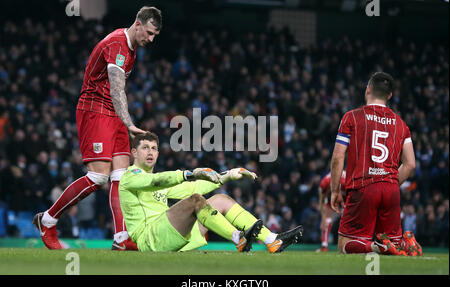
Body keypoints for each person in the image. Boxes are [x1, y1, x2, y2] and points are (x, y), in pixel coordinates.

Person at [33, 7, 162, 250]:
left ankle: (121, 239)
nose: (151, 39)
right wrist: (130, 123)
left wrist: (123, 120)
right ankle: (48, 220)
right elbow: (115, 89)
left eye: (155, 35)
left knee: (121, 178)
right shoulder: (116, 44)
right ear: (138, 24)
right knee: (98, 176)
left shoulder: (132, 49)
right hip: (95, 109)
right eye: (149, 32)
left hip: (112, 112)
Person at [118, 132, 303, 252]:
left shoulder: (160, 182)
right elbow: (153, 181)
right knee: (196, 200)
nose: (150, 152)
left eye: (154, 148)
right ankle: (238, 238)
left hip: (168, 236)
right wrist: (188, 173)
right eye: (145, 148)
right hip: (150, 240)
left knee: (221, 199)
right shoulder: (130, 177)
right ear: (134, 152)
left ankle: (272, 240)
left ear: (158, 154)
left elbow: (193, 187)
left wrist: (228, 175)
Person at [330, 72, 422, 256]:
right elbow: (410, 164)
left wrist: (334, 190)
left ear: (368, 90)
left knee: (345, 245)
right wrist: (390, 183)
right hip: (391, 190)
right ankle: (403, 243)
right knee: (393, 248)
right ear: (390, 96)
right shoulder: (401, 124)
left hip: (363, 187)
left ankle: (376, 246)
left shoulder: (352, 117)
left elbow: (338, 157)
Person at [316, 171, 345, 252]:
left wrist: (345, 209)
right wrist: (323, 218)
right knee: (327, 220)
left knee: (347, 218)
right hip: (332, 195)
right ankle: (324, 246)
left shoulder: (345, 182)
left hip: (347, 196)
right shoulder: (323, 184)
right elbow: (322, 202)